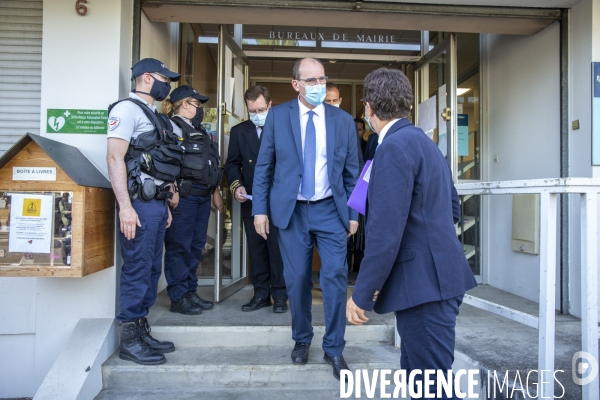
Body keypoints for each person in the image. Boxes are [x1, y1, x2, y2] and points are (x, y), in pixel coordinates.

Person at [346, 68, 478, 397]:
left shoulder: (391, 148)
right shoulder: (424, 142)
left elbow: (384, 233)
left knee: (431, 387)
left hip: (424, 288)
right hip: (435, 282)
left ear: (369, 108)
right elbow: (452, 210)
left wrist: (362, 293)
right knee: (421, 381)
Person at [252, 58, 359, 381]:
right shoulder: (278, 117)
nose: (318, 86)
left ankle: (335, 348)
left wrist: (354, 214)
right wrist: (260, 208)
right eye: (310, 81)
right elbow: (264, 167)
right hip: (292, 211)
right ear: (296, 84)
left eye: (321, 79)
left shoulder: (341, 120)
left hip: (331, 209)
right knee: (297, 279)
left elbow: (354, 171)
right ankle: (302, 339)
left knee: (335, 277)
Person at [107, 58, 182, 365]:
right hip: (138, 204)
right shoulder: (125, 110)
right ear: (148, 78)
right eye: (165, 78)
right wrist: (125, 206)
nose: (168, 84)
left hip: (155, 204)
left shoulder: (152, 114)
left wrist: (166, 200)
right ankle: (130, 340)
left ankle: (141, 329)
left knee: (152, 269)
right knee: (138, 267)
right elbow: (114, 158)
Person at [225, 86, 288, 313]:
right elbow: (232, 163)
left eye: (261, 109)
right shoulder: (240, 131)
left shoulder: (285, 128)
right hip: (252, 198)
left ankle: (280, 296)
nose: (257, 114)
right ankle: (260, 294)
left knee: (278, 249)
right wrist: (236, 185)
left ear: (270, 105)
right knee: (256, 248)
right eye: (252, 110)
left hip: (279, 199)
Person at [161, 85, 223, 315]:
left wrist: (215, 190)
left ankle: (190, 292)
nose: (200, 109)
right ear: (184, 104)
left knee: (196, 247)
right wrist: (172, 188)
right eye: (197, 104)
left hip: (202, 196)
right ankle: (178, 297)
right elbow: (167, 161)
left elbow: (210, 165)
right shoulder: (171, 127)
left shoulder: (199, 131)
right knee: (180, 247)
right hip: (183, 197)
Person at [325, 83, 365, 274]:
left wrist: (353, 212)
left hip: (339, 203)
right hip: (312, 203)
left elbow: (354, 169)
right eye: (327, 101)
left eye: (334, 100)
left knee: (337, 259)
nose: (331, 104)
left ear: (340, 101)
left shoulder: (347, 123)